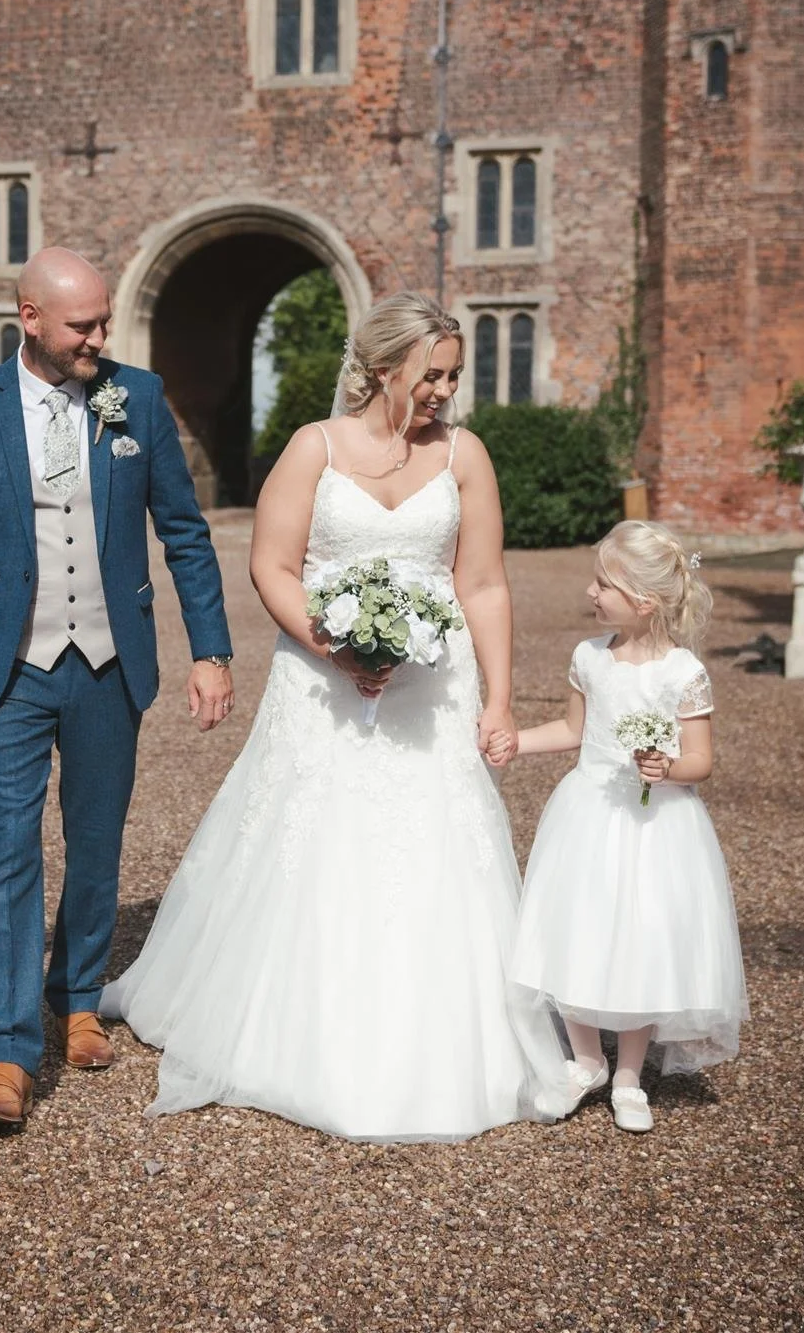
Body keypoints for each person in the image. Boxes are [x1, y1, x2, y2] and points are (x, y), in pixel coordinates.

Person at [101, 292, 576, 1143]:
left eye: (454, 375)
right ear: (383, 368)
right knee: (313, 836)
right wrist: (335, 647)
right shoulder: (312, 449)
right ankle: (292, 1028)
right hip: (320, 685)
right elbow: (272, 566)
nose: (444, 391)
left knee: (433, 847)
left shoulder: (464, 455)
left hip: (433, 690)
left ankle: (437, 1041)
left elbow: (481, 584)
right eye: (431, 375)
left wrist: (499, 699)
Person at [0, 247, 235, 1137]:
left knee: (96, 840)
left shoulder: (136, 398)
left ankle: (76, 994)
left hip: (110, 660)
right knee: (7, 845)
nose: (98, 338)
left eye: (104, 321)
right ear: (29, 318)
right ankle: (6, 1051)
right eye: (82, 325)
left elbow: (184, 533)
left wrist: (211, 650)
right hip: (10, 664)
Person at [505, 522, 747, 1132]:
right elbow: (573, 730)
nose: (590, 592)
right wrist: (514, 742)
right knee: (575, 925)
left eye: (603, 583)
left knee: (642, 935)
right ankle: (586, 1059)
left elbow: (701, 760)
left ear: (643, 600)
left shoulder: (682, 672)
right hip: (586, 811)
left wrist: (668, 768)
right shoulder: (589, 657)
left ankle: (630, 1075)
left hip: (654, 823)